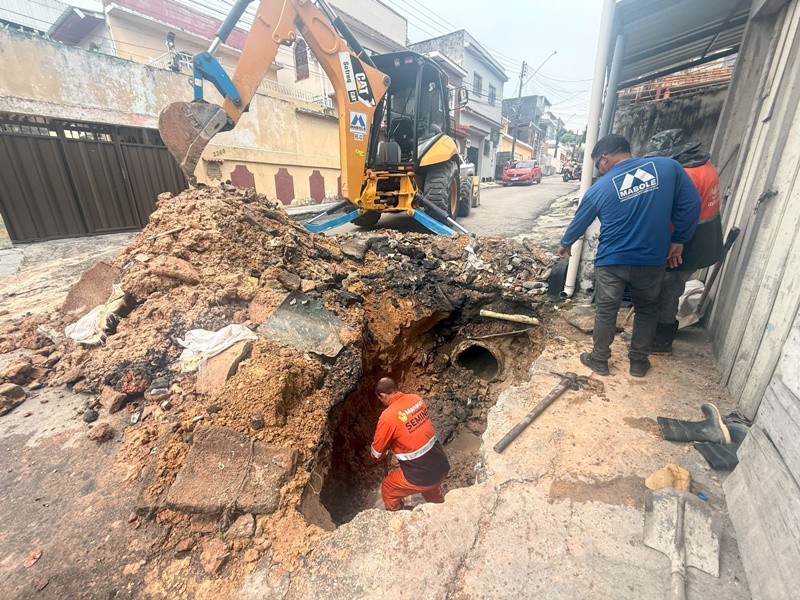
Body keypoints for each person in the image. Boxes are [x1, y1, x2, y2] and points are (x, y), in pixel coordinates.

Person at [558, 134, 701, 377]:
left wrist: (566, 244)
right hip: (651, 259)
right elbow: (691, 204)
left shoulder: (600, 188)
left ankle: (599, 360)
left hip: (612, 260)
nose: (599, 170)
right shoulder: (668, 168)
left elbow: (579, 220)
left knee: (606, 310)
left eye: (597, 164)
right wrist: (679, 239)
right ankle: (638, 363)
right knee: (646, 309)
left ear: (604, 159)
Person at [645, 129, 725, 353]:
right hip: (705, 238)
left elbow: (676, 214)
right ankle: (657, 334)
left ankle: (660, 340)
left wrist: (668, 243)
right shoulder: (705, 166)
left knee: (669, 289)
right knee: (673, 287)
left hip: (687, 242)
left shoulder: (686, 174)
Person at [369, 377, 450, 511]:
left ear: (382, 395)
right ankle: (439, 508)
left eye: (380, 399)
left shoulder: (387, 416)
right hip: (441, 464)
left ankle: (397, 514)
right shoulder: (416, 399)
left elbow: (377, 453)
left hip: (422, 475)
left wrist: (376, 455)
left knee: (388, 486)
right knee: (431, 486)